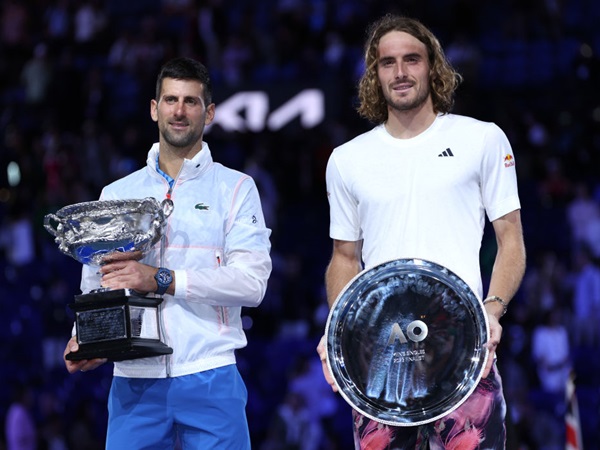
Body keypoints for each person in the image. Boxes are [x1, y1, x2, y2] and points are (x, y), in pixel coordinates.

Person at [316, 14, 526, 449]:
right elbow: (343, 258)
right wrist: (338, 330)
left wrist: (492, 310)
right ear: (374, 74)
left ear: (433, 67)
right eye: (387, 62)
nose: (400, 72)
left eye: (412, 59)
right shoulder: (347, 159)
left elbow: (510, 241)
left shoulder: (482, 139)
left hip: (464, 346)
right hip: (380, 355)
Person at [62, 57, 272, 449]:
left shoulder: (236, 189)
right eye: (171, 99)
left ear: (208, 112)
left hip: (210, 374)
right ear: (154, 108)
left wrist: (161, 278)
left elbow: (252, 283)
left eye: (191, 101)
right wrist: (83, 338)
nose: (179, 110)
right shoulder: (117, 193)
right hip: (134, 382)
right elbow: (97, 281)